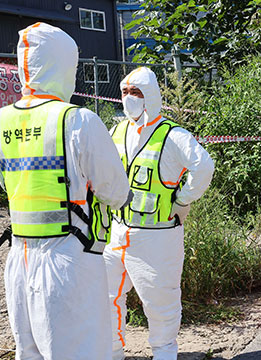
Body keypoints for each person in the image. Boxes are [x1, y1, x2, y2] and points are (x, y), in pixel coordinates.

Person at [0, 23, 131, 359]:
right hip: (70, 260)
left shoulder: (3, 121)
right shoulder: (77, 120)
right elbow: (115, 192)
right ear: (63, 67)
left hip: (19, 260)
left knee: (29, 353)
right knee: (80, 351)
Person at [103, 67, 215, 360]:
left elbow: (203, 166)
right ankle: (113, 352)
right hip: (117, 231)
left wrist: (183, 200)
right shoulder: (116, 130)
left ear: (150, 96)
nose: (129, 99)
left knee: (160, 303)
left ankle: (165, 353)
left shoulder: (173, 135)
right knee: (106, 296)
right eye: (125, 93)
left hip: (157, 238)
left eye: (136, 93)